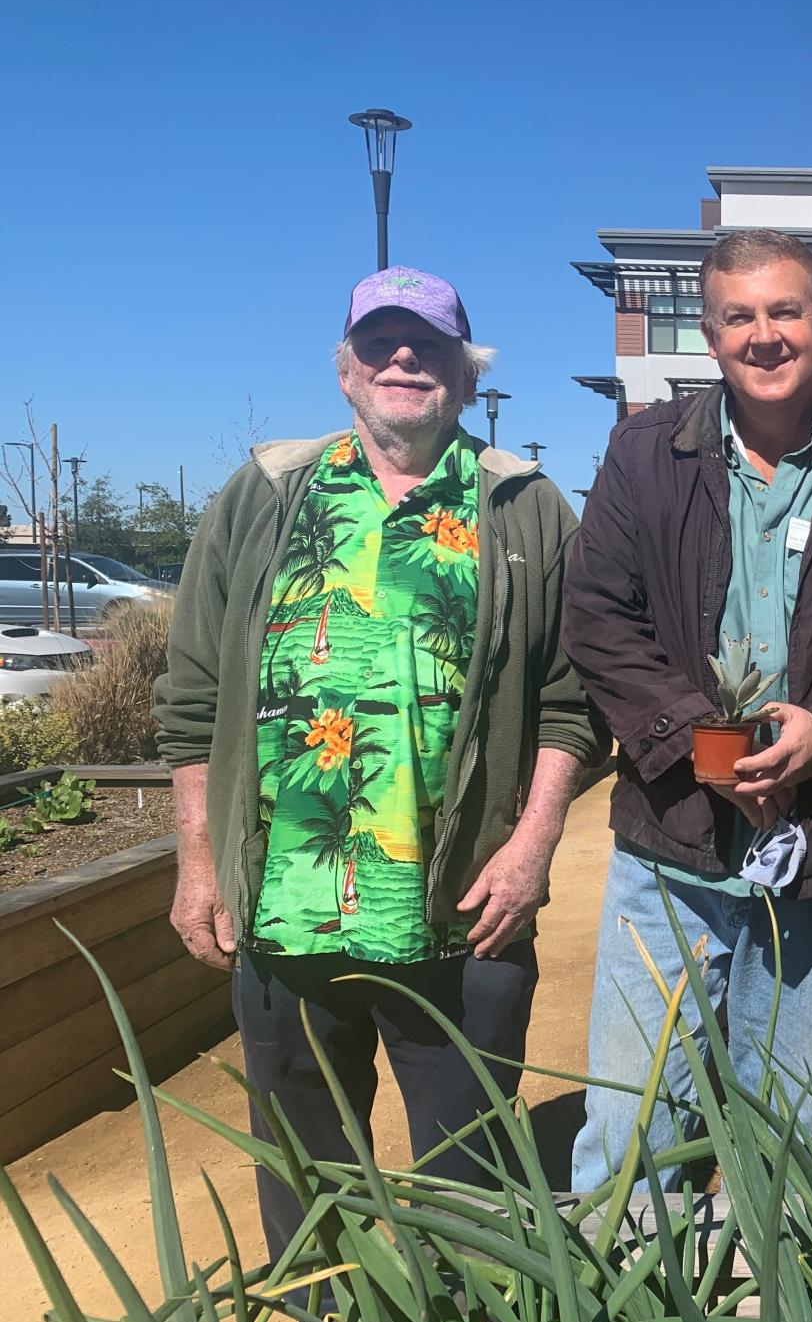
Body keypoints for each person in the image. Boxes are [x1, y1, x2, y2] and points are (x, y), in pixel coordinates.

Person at [154, 267, 600, 1257]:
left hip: (462, 915)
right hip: (286, 907)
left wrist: (531, 848)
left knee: (469, 1191)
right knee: (309, 1191)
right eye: (381, 342)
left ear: (465, 372)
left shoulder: (524, 508)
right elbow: (192, 694)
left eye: (430, 344)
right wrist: (197, 857)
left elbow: (573, 701)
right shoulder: (267, 493)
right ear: (348, 369)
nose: (405, 359)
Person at [564, 229, 812, 1190]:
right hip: (671, 848)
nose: (765, 335)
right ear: (710, 335)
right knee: (630, 1134)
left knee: (783, 1133)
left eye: (785, 311)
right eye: (739, 316)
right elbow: (597, 620)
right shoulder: (644, 458)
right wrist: (698, 747)